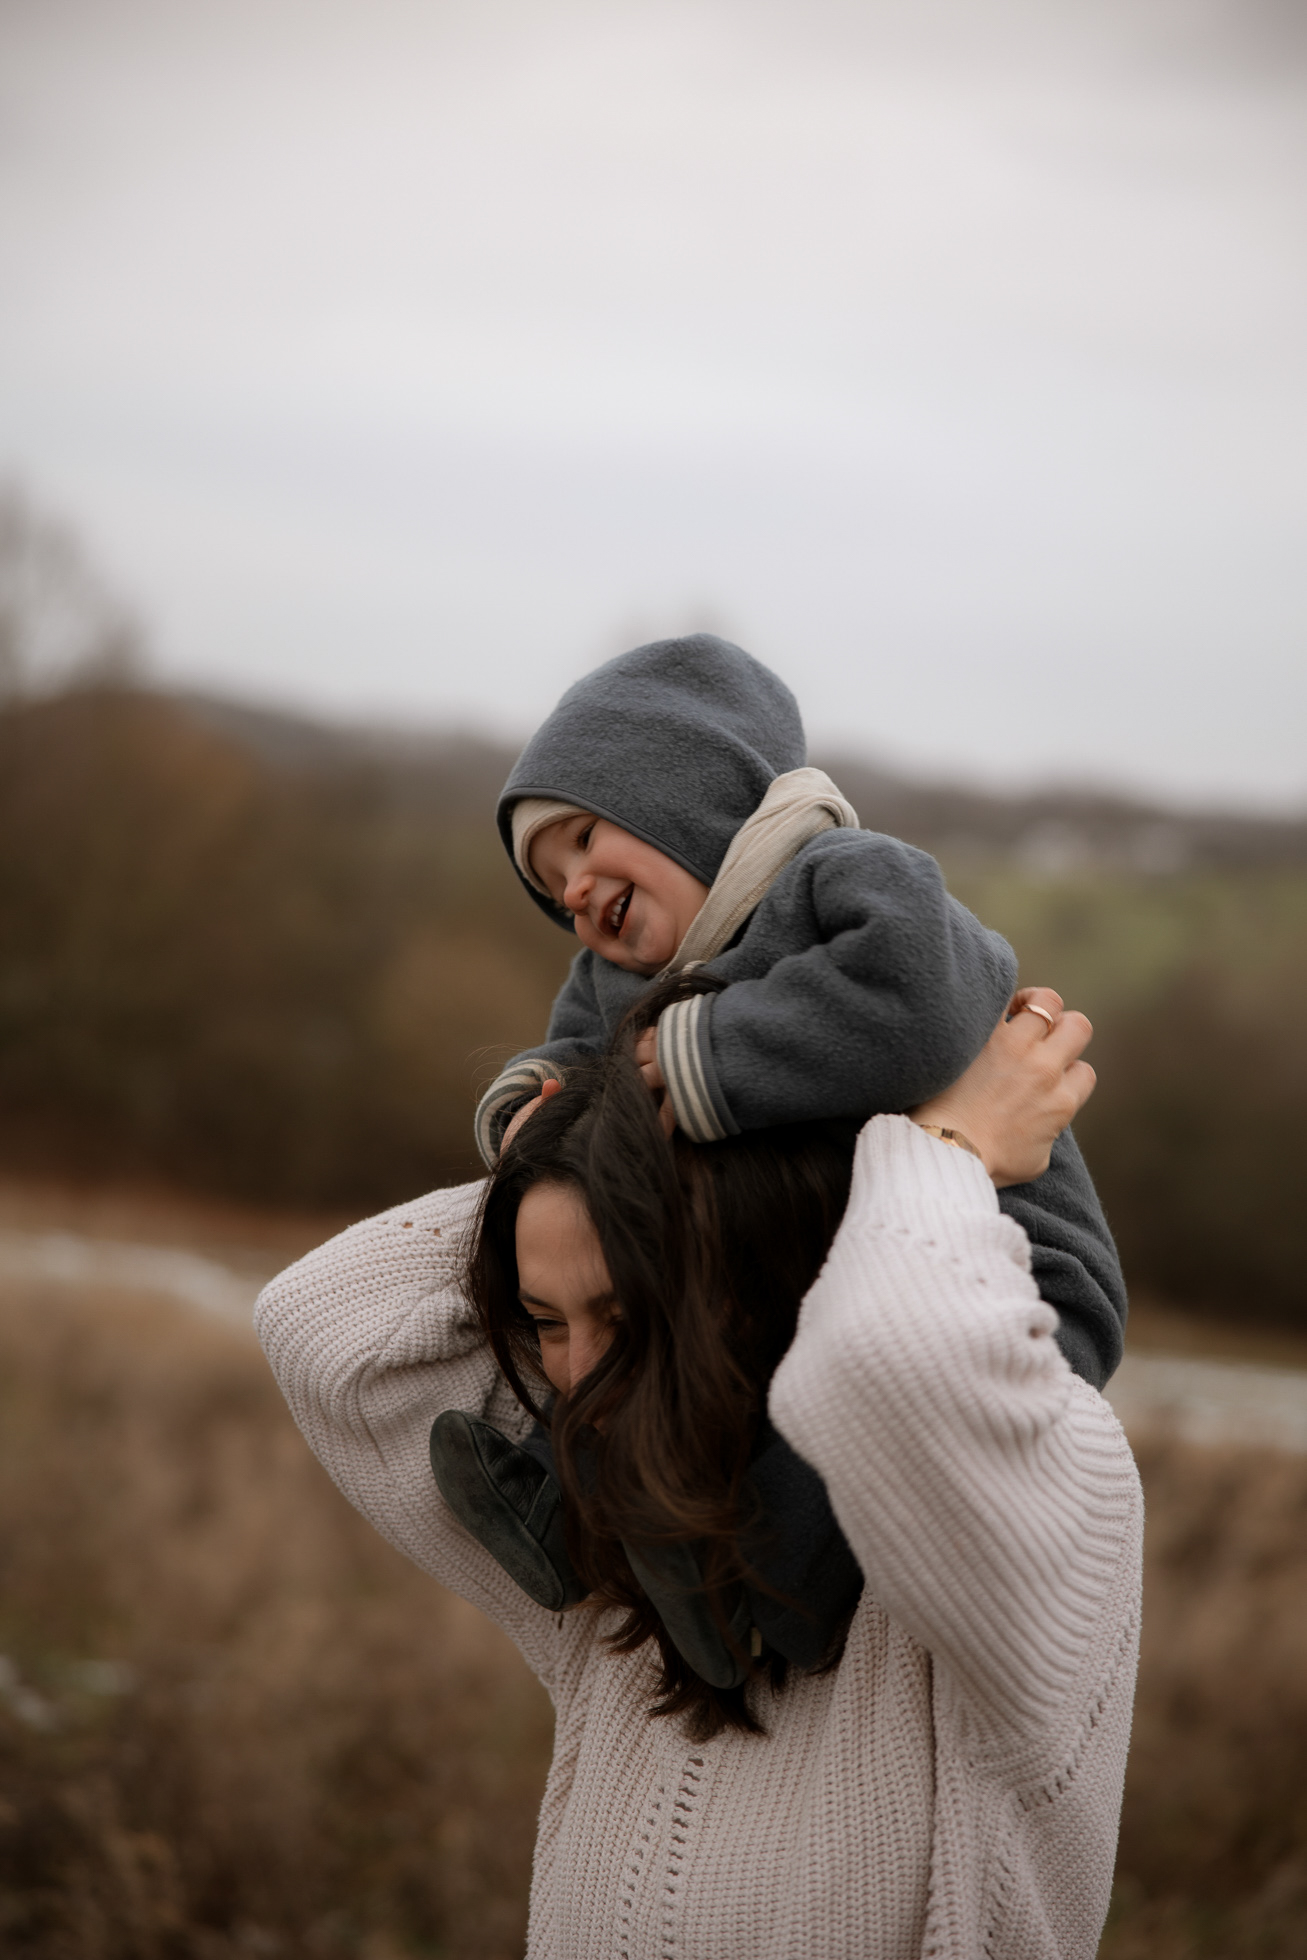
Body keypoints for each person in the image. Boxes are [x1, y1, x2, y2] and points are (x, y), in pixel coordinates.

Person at [256, 988, 1142, 1960]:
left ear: (777, 1271)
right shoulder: (619, 1559)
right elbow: (321, 1328)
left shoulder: (1048, 1502)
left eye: (627, 1314)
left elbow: (880, 1366)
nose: (576, 1380)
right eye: (544, 1321)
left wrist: (946, 1149)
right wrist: (599, 1132)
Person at [475, 633, 1126, 1389]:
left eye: (584, 840)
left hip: (1020, 1281)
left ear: (687, 795)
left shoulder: (842, 875)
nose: (576, 892)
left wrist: (714, 1055)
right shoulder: (613, 979)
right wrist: (532, 1109)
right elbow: (576, 1058)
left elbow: (919, 1003)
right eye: (555, 891)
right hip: (811, 1299)